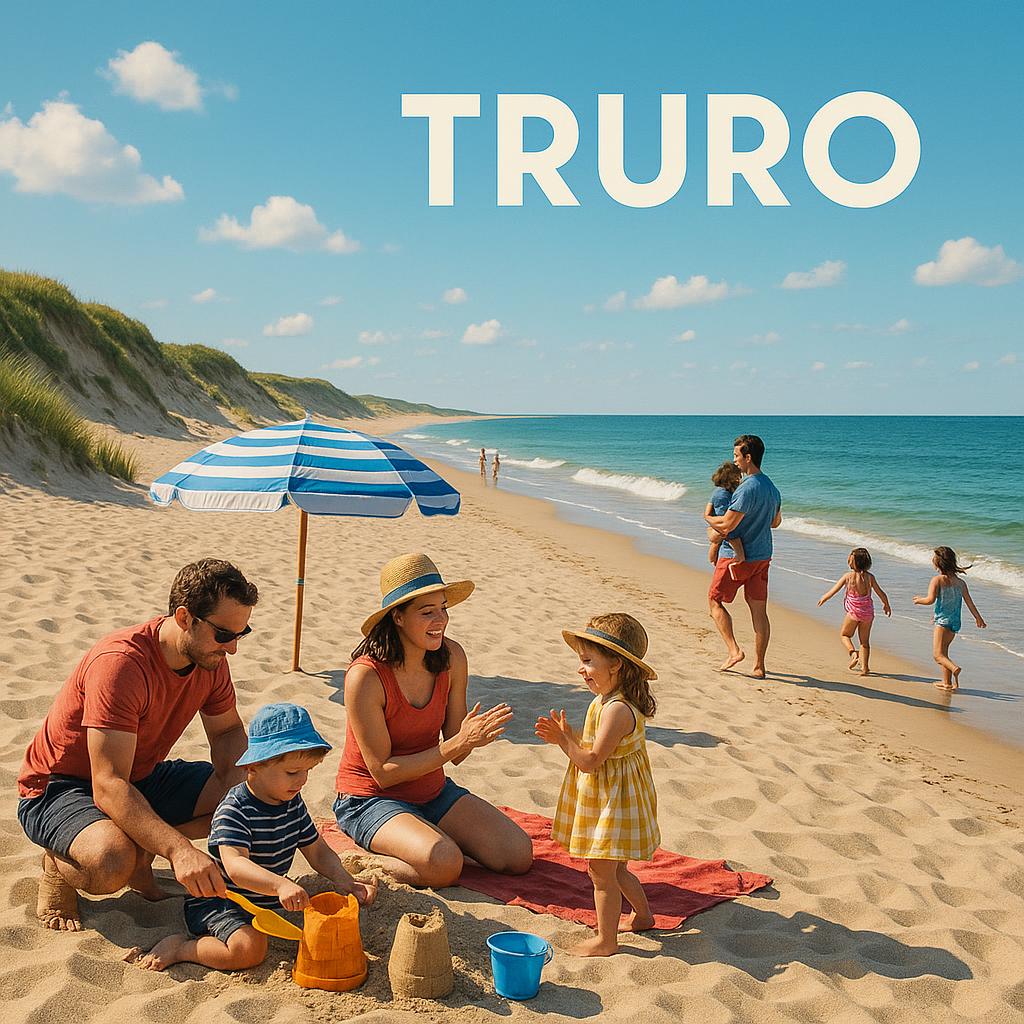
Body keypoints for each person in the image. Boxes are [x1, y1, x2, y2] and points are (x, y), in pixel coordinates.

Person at [17, 559, 258, 932]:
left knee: (257, 800)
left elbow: (227, 734)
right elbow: (109, 785)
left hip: (140, 774)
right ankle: (58, 863)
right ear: (184, 618)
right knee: (111, 861)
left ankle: (141, 850)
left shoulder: (209, 658)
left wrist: (241, 789)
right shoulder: (121, 664)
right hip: (59, 787)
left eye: (241, 635)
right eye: (225, 635)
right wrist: (179, 850)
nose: (233, 649)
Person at [124, 703, 376, 972]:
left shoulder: (292, 802)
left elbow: (317, 851)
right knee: (249, 950)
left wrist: (345, 880)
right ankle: (182, 948)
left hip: (263, 902)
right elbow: (236, 867)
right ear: (253, 767)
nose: (302, 780)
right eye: (292, 772)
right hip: (223, 901)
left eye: (307, 771)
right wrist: (280, 885)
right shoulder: (235, 808)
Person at [333, 553, 533, 887]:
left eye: (443, 609)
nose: (440, 619)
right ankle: (368, 861)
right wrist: (459, 742)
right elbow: (383, 773)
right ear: (397, 617)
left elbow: (457, 750)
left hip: (431, 790)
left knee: (517, 854)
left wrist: (474, 737)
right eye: (427, 612)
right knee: (445, 863)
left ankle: (422, 836)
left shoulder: (452, 657)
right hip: (368, 798)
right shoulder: (366, 677)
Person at [536, 614, 659, 957]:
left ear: (617, 664)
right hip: (613, 796)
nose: (582, 669)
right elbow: (594, 746)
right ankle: (644, 915)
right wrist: (570, 734)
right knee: (616, 868)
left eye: (588, 661)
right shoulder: (606, 701)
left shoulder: (618, 710)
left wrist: (564, 741)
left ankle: (606, 941)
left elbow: (590, 761)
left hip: (614, 802)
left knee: (600, 872)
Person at [704, 435, 782, 678]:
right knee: (759, 611)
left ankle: (734, 651)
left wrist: (707, 519)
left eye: (737, 455)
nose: (734, 460)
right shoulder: (772, 488)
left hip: (737, 559)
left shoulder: (746, 489)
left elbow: (726, 526)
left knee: (714, 601)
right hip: (763, 556)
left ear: (749, 457)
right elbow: (775, 522)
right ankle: (759, 666)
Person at [913, 546, 986, 690]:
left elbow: (930, 599)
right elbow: (969, 603)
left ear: (938, 563)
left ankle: (955, 668)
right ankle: (947, 683)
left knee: (937, 655)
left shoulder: (938, 580)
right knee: (944, 652)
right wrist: (978, 618)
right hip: (955, 622)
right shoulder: (961, 583)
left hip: (942, 622)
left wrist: (918, 600)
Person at [817, 548, 892, 676]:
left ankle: (853, 653)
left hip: (853, 613)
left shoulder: (848, 576)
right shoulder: (870, 577)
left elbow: (834, 590)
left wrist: (824, 598)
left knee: (845, 635)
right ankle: (865, 668)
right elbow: (881, 593)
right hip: (868, 613)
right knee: (865, 642)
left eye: (850, 560)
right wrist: (886, 605)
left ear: (854, 563)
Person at [705, 462, 746, 575]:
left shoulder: (721, 492)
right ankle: (739, 557)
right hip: (722, 525)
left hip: (717, 526)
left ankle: (713, 559)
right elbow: (725, 515)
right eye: (738, 477)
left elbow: (708, 510)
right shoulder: (722, 494)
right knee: (733, 537)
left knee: (717, 542)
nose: (740, 479)